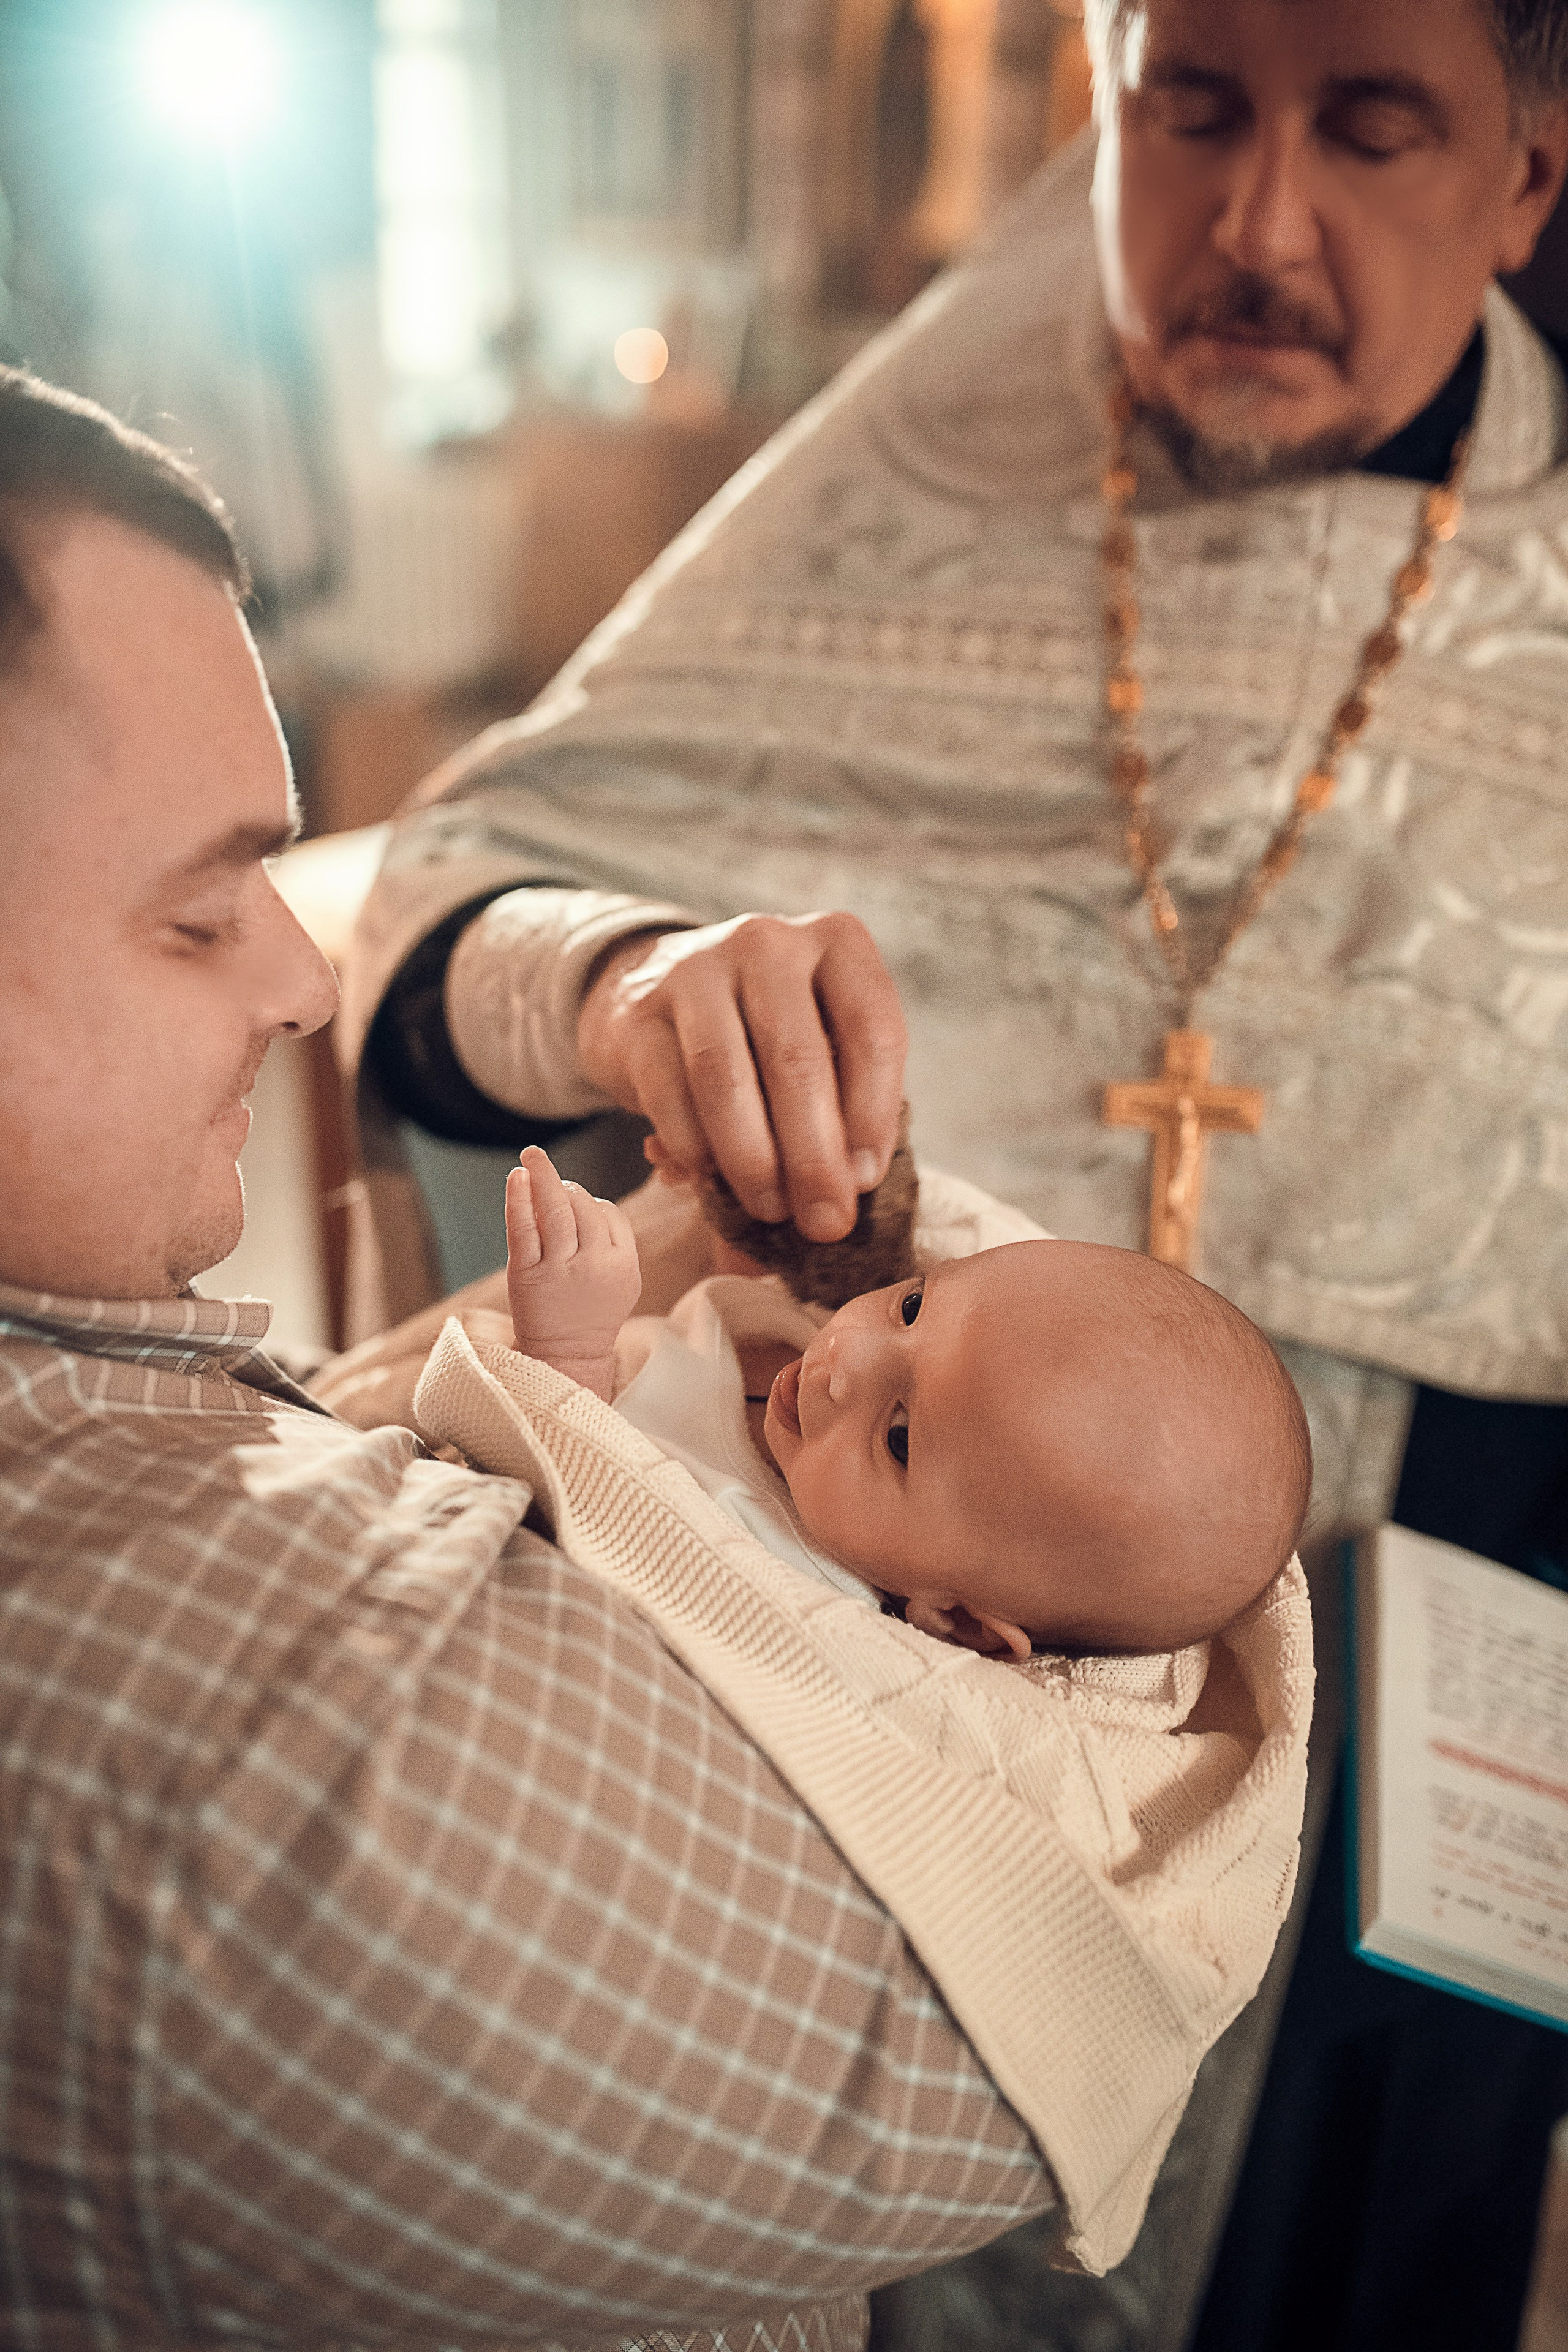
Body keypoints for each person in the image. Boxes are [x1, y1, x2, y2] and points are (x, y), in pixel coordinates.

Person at [344, 1, 1568, 2345]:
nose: (1258, 224)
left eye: (1375, 127)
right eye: (1190, 108)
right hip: (804, 1713)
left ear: (1526, 176)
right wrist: (625, 982)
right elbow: (442, 900)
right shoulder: (917, 462)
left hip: (1433, 1727)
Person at [0, 366, 1072, 2348]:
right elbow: (1053, 2040)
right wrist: (1184, 1627)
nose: (305, 979)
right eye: (198, 913)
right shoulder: (248, 1785)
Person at [502, 1145, 1311, 1659]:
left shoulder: (779, 1570)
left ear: (955, 1619)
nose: (843, 1362)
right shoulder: (820, 1359)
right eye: (914, 1307)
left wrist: (568, 1352)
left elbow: (575, 1533)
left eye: (897, 1439)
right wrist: (732, 1198)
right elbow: (743, 1299)